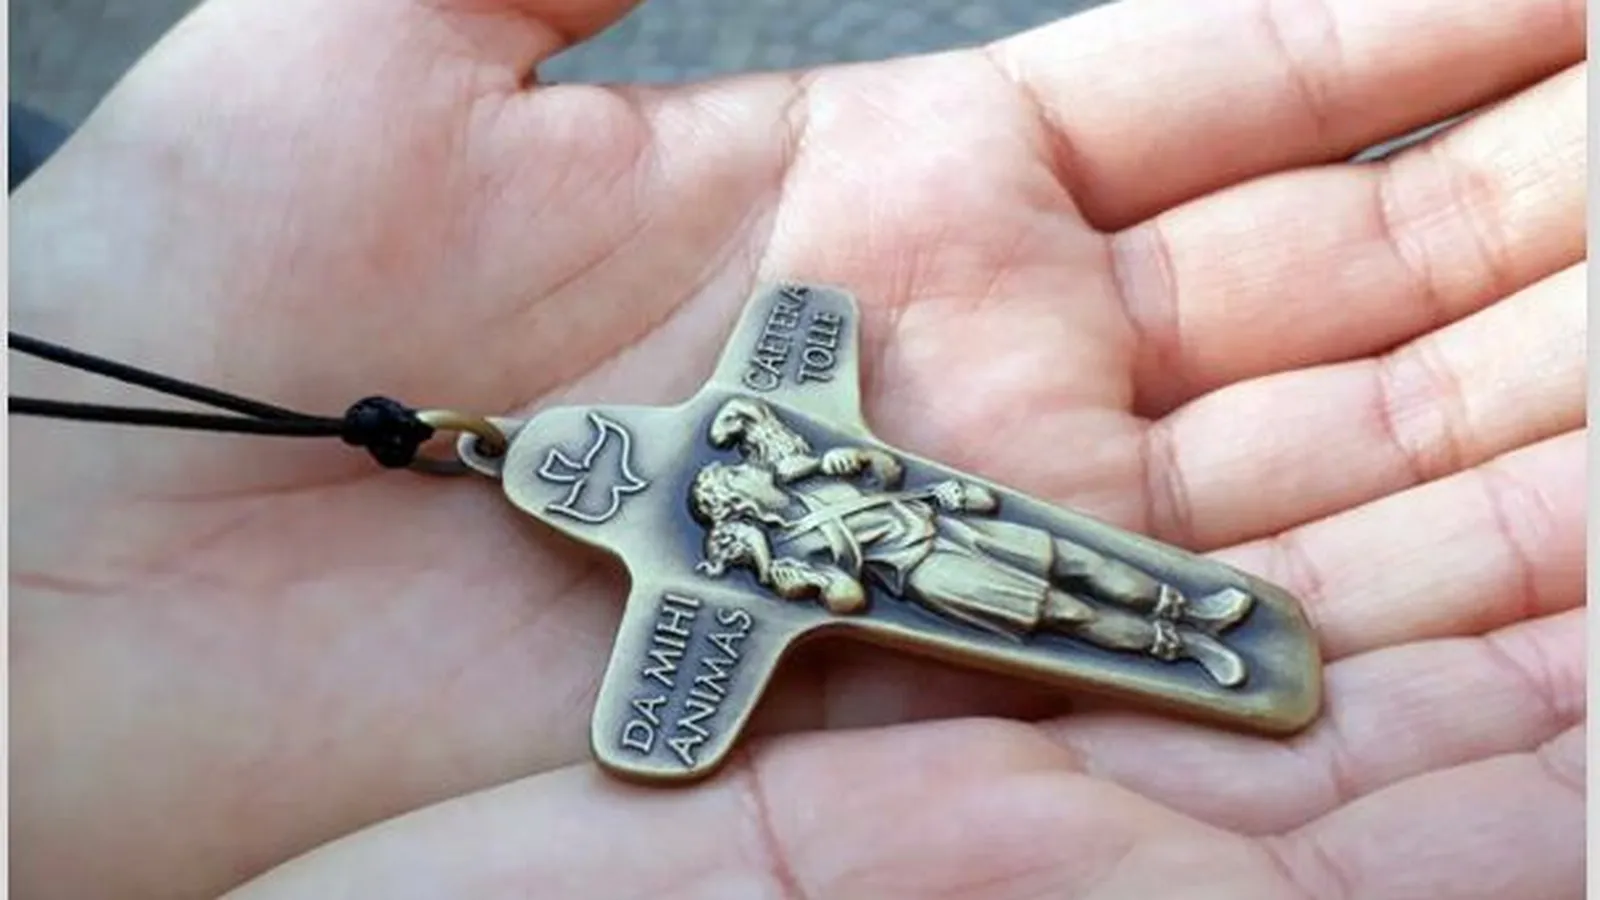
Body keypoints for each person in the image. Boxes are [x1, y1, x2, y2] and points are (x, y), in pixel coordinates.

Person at [9, 0, 1584, 897]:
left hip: (935, 526)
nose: (603, 478)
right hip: (920, 571)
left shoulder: (757, 413)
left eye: (596, 459)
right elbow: (663, 721)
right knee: (1039, 604)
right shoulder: (711, 559)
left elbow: (802, 346)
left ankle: (1203, 618)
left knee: (1065, 565)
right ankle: (1192, 642)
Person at [688, 396, 1255, 686]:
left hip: (948, 523)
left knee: (1077, 559)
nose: (746, 469)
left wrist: (859, 459)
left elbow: (888, 474)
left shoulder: (806, 474)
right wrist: (806, 579)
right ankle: (1182, 649)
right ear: (738, 502)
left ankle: (1190, 608)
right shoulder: (785, 552)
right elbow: (850, 599)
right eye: (736, 477)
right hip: (927, 571)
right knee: (1066, 612)